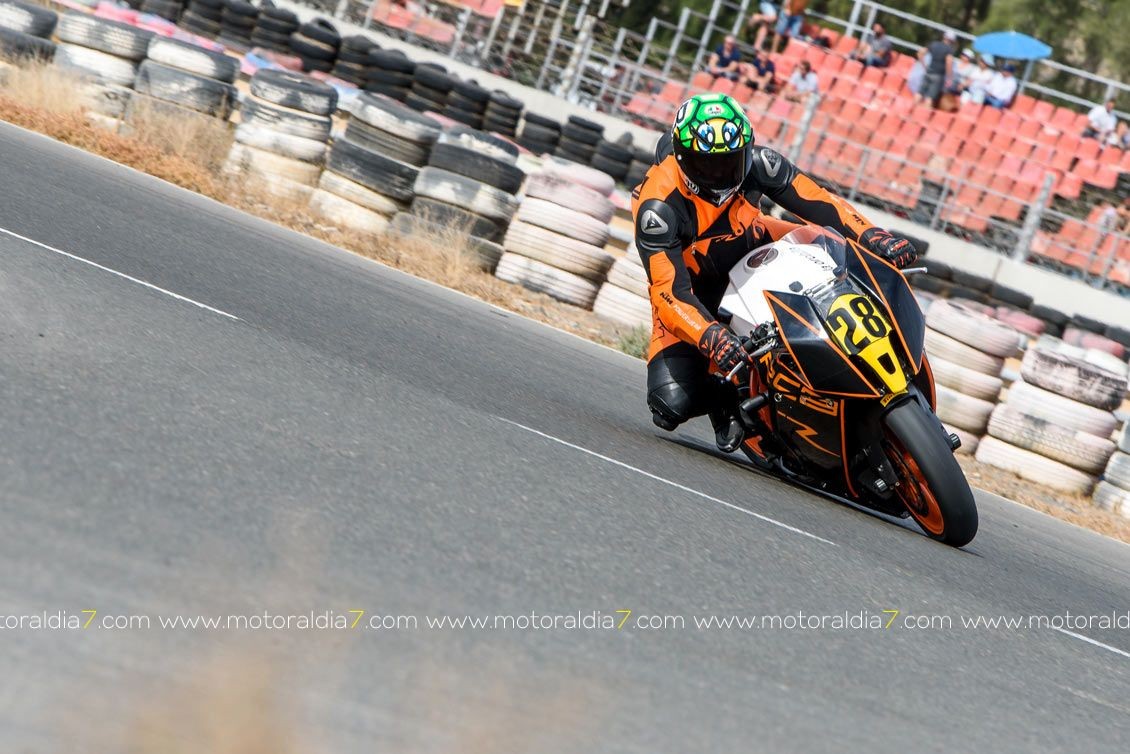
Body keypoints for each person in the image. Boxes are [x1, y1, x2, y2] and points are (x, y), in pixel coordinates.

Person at [632, 93, 917, 454]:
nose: (718, 176)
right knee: (670, 402)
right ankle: (729, 397)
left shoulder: (761, 164)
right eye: (706, 165)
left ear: (747, 150)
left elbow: (821, 202)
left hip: (757, 245)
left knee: (839, 250)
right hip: (695, 290)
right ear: (682, 157)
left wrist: (873, 235)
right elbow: (668, 293)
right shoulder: (658, 209)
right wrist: (711, 337)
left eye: (729, 162)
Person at [916, 30, 954, 107]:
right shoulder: (949, 50)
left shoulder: (934, 44)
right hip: (938, 75)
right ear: (952, 41)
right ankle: (924, 113)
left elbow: (920, 53)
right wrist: (949, 77)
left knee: (919, 93)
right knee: (929, 98)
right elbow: (949, 63)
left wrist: (924, 66)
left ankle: (911, 110)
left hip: (929, 71)